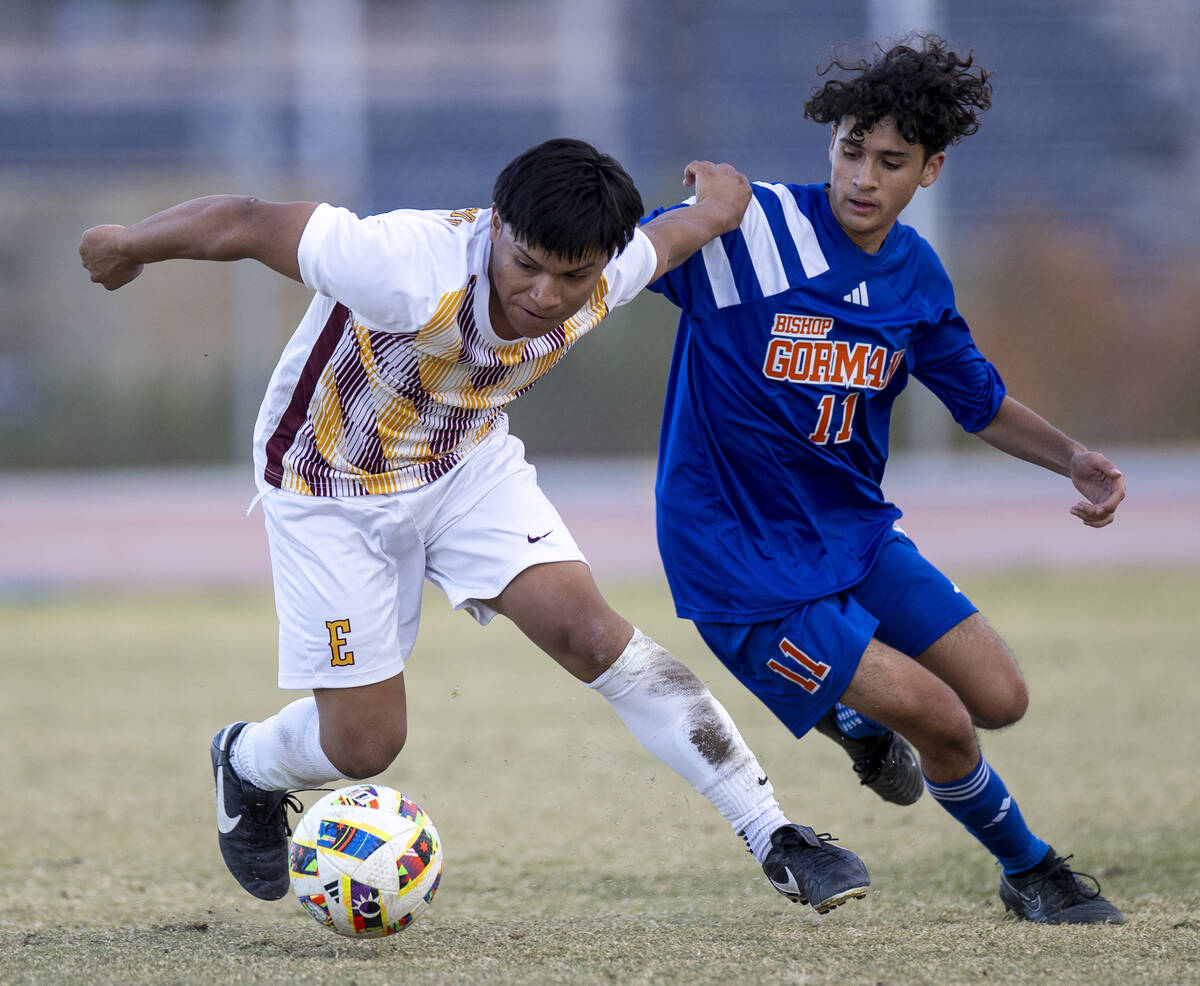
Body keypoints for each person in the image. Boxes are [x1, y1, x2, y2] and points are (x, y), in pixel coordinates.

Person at [79, 137, 870, 916]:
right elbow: (248, 221)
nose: (546, 296)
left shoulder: (607, 272)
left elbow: (673, 237)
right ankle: (247, 762)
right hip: (328, 483)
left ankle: (775, 836)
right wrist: (129, 243)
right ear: (496, 225)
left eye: (574, 277)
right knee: (365, 747)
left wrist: (718, 206)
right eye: (527, 265)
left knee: (594, 635)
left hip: (463, 463)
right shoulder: (401, 264)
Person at [644, 37, 1127, 925]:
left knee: (1001, 699)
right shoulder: (749, 230)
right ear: (832, 140)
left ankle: (859, 721)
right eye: (850, 150)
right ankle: (1032, 873)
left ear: (931, 170)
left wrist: (1073, 459)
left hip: (853, 534)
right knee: (944, 720)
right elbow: (608, 270)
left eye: (891, 162)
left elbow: (976, 401)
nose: (863, 177)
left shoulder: (914, 273)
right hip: (739, 561)